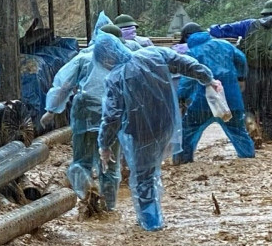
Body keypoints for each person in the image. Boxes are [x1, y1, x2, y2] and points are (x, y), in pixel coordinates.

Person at [95, 32, 217, 230]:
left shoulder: (116, 78)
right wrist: (208, 78)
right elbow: (186, 64)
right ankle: (152, 214)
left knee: (143, 176)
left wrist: (104, 144)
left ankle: (151, 223)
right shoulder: (153, 54)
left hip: (140, 132)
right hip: (167, 124)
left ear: (107, 57)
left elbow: (112, 117)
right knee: (152, 171)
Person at [44, 22, 125, 209]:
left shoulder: (84, 58)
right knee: (110, 165)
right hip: (112, 114)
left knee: (82, 160)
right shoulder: (124, 61)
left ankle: (87, 190)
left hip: (85, 111)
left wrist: (52, 109)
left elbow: (64, 85)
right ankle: (108, 208)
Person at [210, 0, 272, 143]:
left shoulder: (248, 25)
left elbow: (217, 31)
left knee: (249, 107)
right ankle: (269, 141)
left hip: (250, 74)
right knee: (268, 112)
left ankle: (251, 127)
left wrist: (211, 28)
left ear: (263, 13)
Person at [175, 25, 255, 162]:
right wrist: (241, 78)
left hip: (202, 102)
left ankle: (182, 161)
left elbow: (187, 80)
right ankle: (249, 158)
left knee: (188, 131)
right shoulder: (225, 45)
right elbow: (241, 59)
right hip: (230, 100)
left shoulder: (192, 53)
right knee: (239, 132)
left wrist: (181, 97)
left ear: (187, 38)